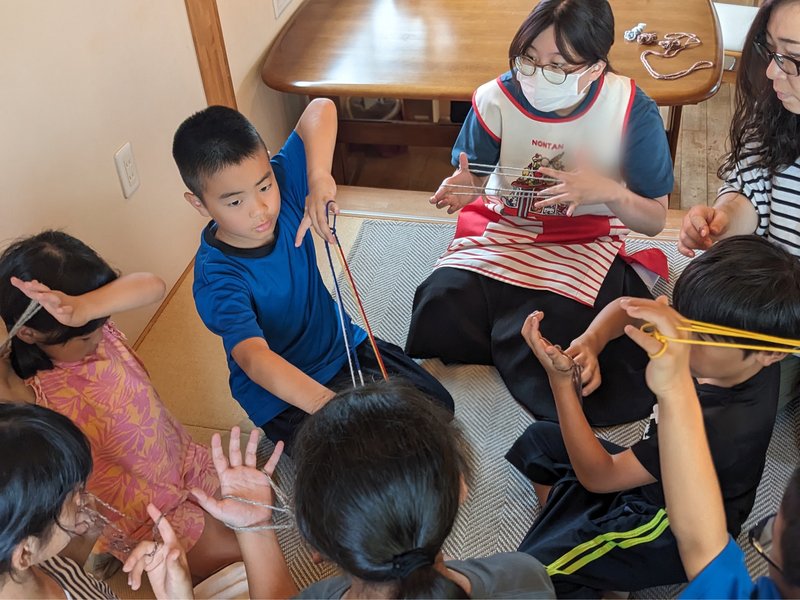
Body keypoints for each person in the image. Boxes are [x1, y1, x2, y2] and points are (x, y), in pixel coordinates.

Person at [405, 0, 674, 427]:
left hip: (584, 238)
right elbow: (473, 175)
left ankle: (517, 331)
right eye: (528, 59)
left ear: (595, 64)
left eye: (558, 65)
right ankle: (516, 334)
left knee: (570, 337)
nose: (536, 76)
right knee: (437, 306)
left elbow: (655, 220)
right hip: (506, 226)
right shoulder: (498, 97)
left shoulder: (630, 109)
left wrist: (606, 190)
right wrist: (465, 187)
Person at [506, 235, 800, 597]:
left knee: (531, 572)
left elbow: (599, 476)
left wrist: (562, 385)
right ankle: (597, 556)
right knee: (540, 440)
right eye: (680, 319)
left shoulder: (725, 426)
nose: (678, 338)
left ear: (771, 354)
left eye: (700, 336)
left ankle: (600, 566)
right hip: (650, 475)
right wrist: (591, 341)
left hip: (668, 521)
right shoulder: (750, 345)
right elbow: (628, 308)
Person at [171, 101, 453, 453]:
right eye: (234, 202)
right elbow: (254, 358)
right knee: (360, 459)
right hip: (281, 395)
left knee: (436, 408)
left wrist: (319, 177)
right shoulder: (218, 275)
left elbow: (320, 109)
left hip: (341, 346)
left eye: (264, 186)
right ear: (199, 204)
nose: (260, 209)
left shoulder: (286, 183)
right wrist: (332, 406)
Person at [0, 230, 239, 582]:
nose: (98, 337)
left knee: (254, 513)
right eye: (84, 336)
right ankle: (113, 549)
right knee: (236, 559)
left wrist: (87, 308)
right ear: (29, 334)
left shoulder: (88, 320)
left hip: (181, 459)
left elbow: (153, 285)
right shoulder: (30, 394)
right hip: (144, 510)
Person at [0, 402, 296, 600]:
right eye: (75, 497)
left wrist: (83, 540)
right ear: (24, 552)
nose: (87, 498)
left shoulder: (29, 565)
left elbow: (68, 571)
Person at [289, 380, 555, 599]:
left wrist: (257, 529)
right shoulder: (524, 578)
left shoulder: (313, 596)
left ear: (315, 546)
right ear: (461, 486)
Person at [620, 298, 800, 599]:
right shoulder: (756, 380)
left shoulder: (721, 427)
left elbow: (702, 544)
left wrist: (562, 387)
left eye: (766, 539)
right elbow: (704, 545)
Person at [678, 0, 800, 410]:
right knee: (702, 369)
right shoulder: (777, 108)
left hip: (781, 310)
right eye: (771, 51)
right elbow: (751, 185)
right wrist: (725, 218)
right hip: (774, 305)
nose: (771, 72)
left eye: (794, 58)